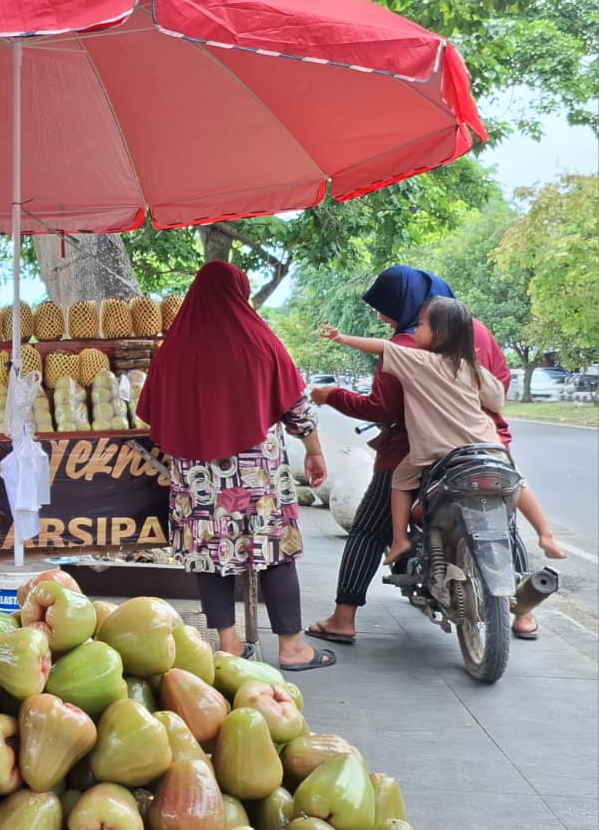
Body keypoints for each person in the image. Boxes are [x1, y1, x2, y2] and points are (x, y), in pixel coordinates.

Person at [307, 266, 563, 645]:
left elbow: (384, 407)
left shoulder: (413, 346)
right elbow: (500, 386)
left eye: (386, 307)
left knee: (368, 526)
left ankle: (344, 617)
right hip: (488, 446)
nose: (382, 316)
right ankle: (522, 614)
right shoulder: (474, 334)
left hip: (419, 447)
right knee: (504, 520)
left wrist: (333, 396)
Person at [137, 261, 335, 671]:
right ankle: (292, 647)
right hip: (256, 473)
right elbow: (297, 409)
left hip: (196, 474)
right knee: (275, 552)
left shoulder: (173, 348)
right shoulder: (261, 341)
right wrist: (314, 450)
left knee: (210, 554)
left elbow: (150, 415)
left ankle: (227, 645)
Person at [320, 298, 505, 565]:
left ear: (439, 333)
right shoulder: (473, 369)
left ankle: (399, 539)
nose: (414, 331)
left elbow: (383, 349)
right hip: (483, 449)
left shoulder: (420, 361)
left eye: (420, 325)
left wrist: (343, 338)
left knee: (400, 479)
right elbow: (497, 401)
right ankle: (545, 533)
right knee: (515, 483)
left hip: (436, 452)